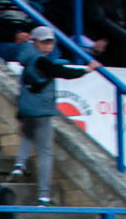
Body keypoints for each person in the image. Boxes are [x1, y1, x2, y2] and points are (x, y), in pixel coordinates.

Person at [13, 24, 90, 205]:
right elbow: (61, 72)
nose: (48, 46)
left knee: (27, 137)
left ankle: (19, 166)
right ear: (35, 42)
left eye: (50, 43)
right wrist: (86, 70)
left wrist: (20, 115)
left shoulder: (27, 60)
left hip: (28, 110)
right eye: (44, 43)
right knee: (46, 153)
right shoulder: (41, 61)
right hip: (42, 111)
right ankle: (44, 196)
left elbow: (22, 91)